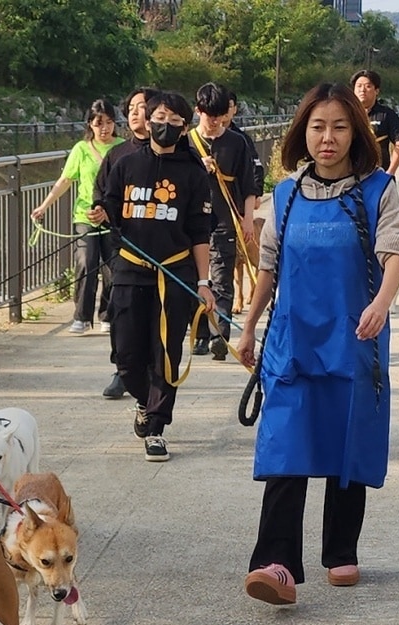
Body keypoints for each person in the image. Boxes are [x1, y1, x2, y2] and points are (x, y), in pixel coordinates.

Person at [234, 83, 399, 605]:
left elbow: (396, 250)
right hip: (291, 341)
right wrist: (248, 326)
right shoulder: (286, 195)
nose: (327, 138)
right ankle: (276, 564)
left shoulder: (379, 189)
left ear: (355, 132)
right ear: (302, 133)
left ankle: (340, 549)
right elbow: (269, 266)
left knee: (344, 441)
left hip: (353, 338)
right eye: (317, 127)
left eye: (338, 126)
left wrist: (381, 302)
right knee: (286, 446)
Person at [96, 90, 215, 462]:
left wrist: (203, 282)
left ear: (184, 127)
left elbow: (200, 232)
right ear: (148, 120)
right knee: (127, 355)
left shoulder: (194, 173)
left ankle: (157, 426)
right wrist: (102, 211)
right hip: (131, 269)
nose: (164, 126)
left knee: (166, 352)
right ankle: (144, 401)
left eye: (174, 121)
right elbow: (111, 202)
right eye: (158, 118)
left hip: (175, 272)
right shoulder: (126, 163)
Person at [31, 98, 122, 335]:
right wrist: (44, 206)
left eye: (109, 122)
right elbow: (65, 180)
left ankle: (108, 315)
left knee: (113, 265)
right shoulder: (81, 149)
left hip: (113, 217)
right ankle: (81, 316)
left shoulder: (124, 147)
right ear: (90, 124)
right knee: (85, 261)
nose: (105, 128)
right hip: (85, 214)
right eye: (99, 123)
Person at [89, 86, 158, 399]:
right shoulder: (117, 155)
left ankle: (154, 373)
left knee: (156, 317)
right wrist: (100, 210)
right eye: (130, 107)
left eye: (141, 106)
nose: (133, 113)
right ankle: (122, 369)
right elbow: (100, 192)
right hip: (124, 250)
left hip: (166, 255)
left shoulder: (176, 155)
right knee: (120, 308)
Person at [188, 83, 258, 358]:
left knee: (221, 278)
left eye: (220, 115)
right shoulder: (186, 143)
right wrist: (196, 168)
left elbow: (249, 184)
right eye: (210, 115)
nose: (215, 121)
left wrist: (248, 219)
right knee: (197, 279)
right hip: (193, 223)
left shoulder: (237, 142)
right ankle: (200, 334)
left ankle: (220, 334)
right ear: (198, 111)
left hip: (225, 220)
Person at [222, 90, 267, 315]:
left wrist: (255, 194)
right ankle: (230, 302)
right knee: (226, 265)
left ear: (234, 109)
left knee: (249, 258)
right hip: (215, 213)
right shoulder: (197, 138)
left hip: (240, 211)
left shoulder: (241, 139)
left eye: (228, 106)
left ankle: (253, 295)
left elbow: (256, 169)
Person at [352, 69, 399, 177]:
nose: (362, 90)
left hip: (379, 176)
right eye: (359, 86)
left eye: (368, 86)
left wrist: (390, 172)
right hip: (351, 178)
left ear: (376, 91)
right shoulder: (347, 115)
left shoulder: (387, 115)